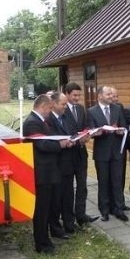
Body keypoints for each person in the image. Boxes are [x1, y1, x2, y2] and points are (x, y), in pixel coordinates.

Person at [22, 94, 73, 254]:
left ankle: (47, 238)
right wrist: (61, 145)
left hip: (49, 171)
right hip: (42, 173)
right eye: (50, 108)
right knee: (41, 210)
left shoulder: (41, 121)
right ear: (43, 107)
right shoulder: (32, 122)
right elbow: (43, 145)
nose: (51, 112)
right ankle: (41, 243)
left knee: (49, 207)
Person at [87, 85, 129, 222]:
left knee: (117, 181)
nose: (111, 96)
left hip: (116, 151)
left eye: (111, 94)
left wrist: (121, 130)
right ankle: (104, 210)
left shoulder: (117, 108)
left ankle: (118, 209)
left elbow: (124, 126)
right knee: (103, 182)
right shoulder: (91, 111)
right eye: (108, 94)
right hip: (102, 153)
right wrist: (98, 132)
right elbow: (90, 131)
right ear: (100, 96)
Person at [62, 82, 99, 227]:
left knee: (82, 186)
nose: (77, 98)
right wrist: (77, 139)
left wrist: (88, 134)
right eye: (74, 95)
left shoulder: (81, 108)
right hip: (67, 155)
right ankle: (68, 220)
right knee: (68, 189)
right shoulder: (62, 110)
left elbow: (86, 126)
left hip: (81, 154)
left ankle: (81, 215)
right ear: (66, 94)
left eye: (79, 95)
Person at [47, 91, 76, 238]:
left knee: (68, 195)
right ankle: (55, 228)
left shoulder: (66, 116)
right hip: (56, 164)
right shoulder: (48, 120)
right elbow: (49, 140)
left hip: (68, 163)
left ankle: (69, 224)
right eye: (63, 104)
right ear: (53, 104)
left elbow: (73, 131)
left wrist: (76, 138)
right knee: (56, 198)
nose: (66, 107)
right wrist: (63, 143)